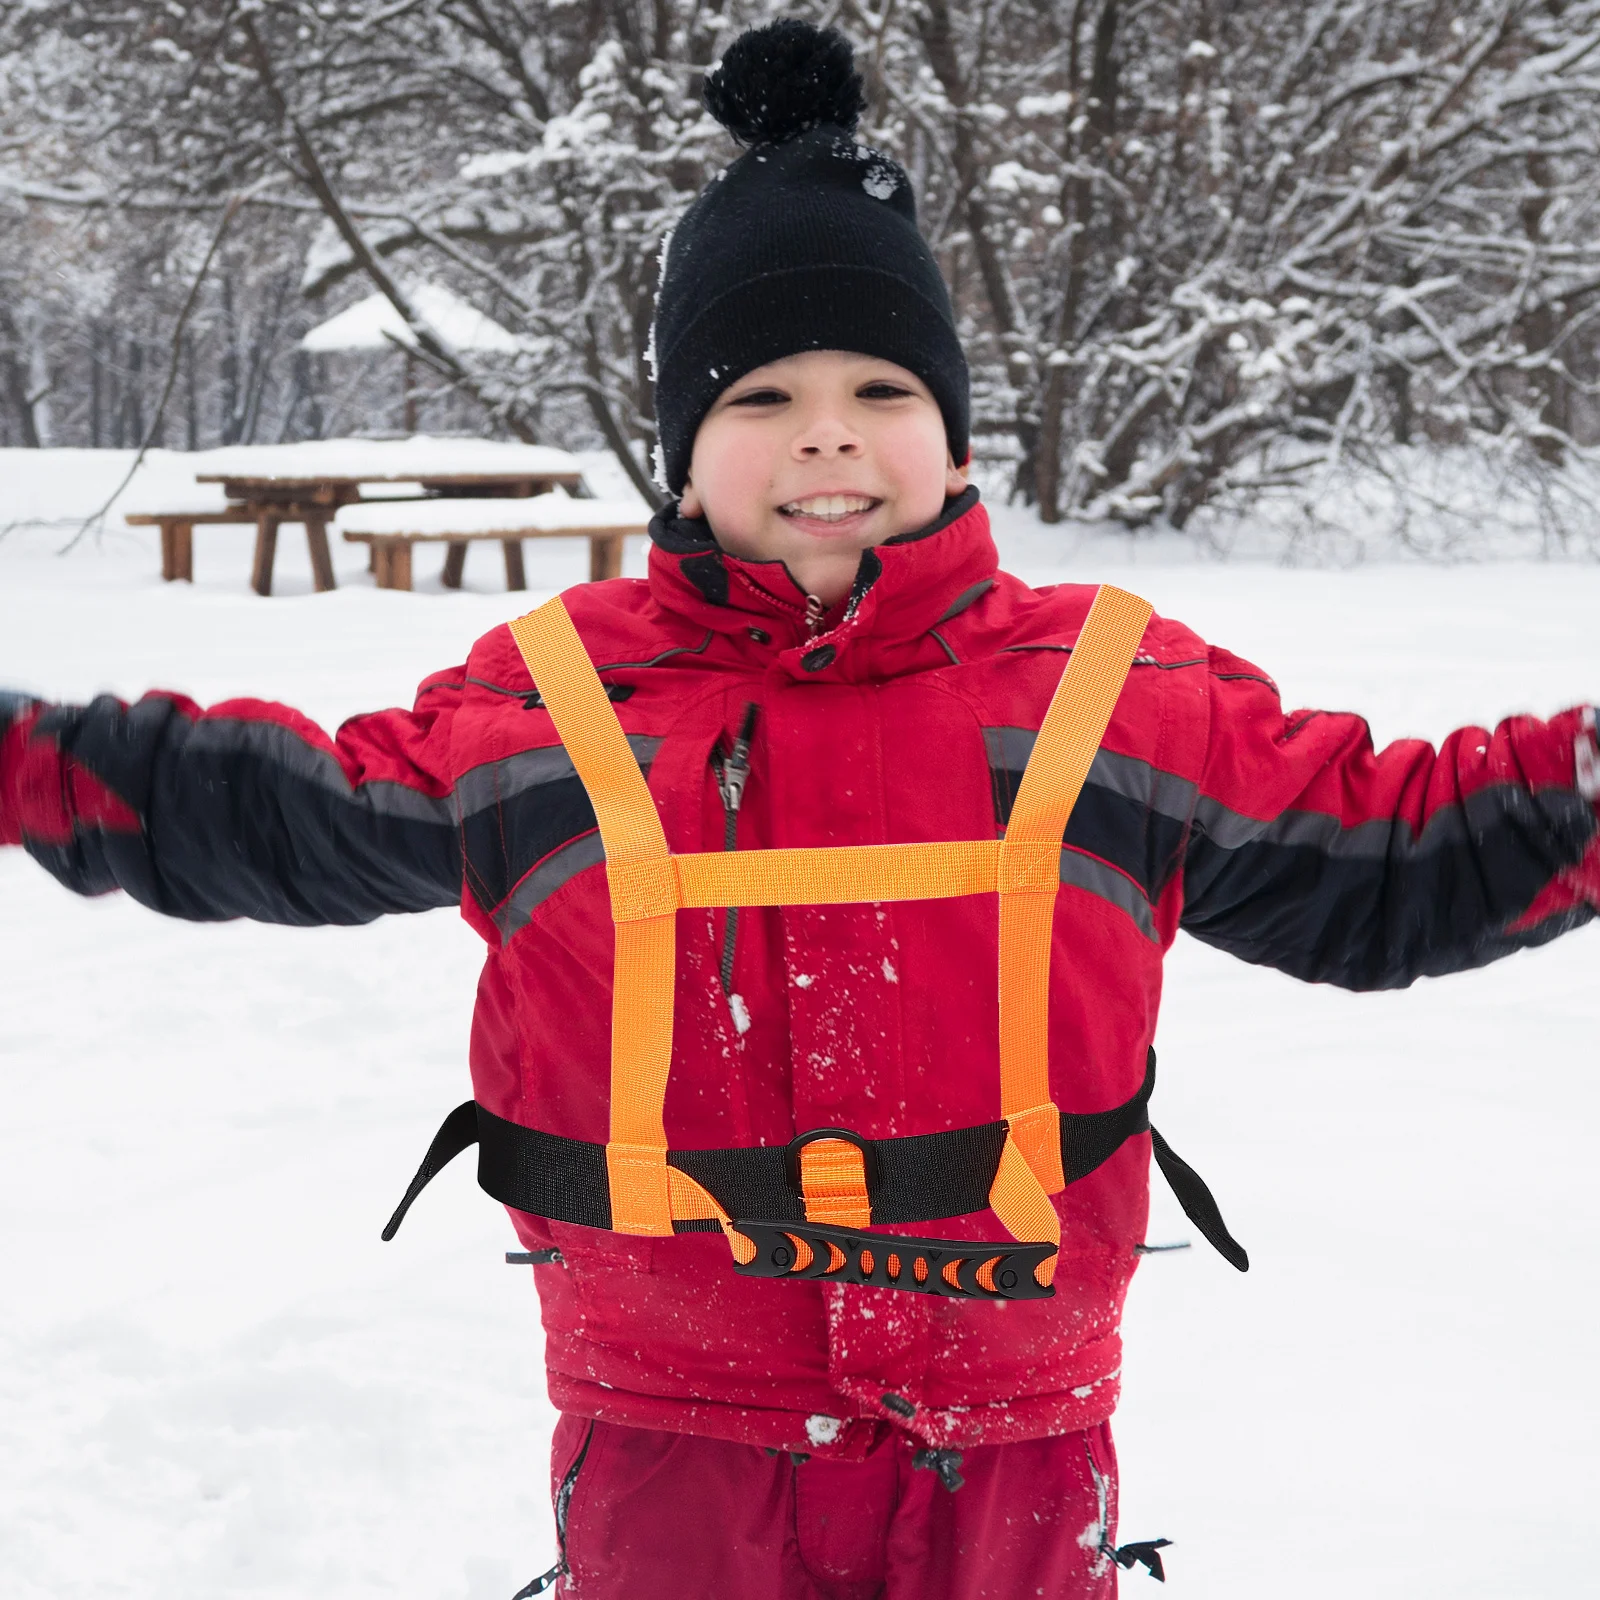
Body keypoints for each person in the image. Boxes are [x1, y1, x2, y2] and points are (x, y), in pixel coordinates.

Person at [3, 20, 1598, 1600]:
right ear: (683, 459)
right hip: (671, 1436)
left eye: (880, 384)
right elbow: (271, 813)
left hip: (1010, 1435)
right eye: (758, 394)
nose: (826, 432)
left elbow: (1392, 857)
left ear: (956, 435)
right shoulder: (555, 709)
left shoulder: (1113, 693)